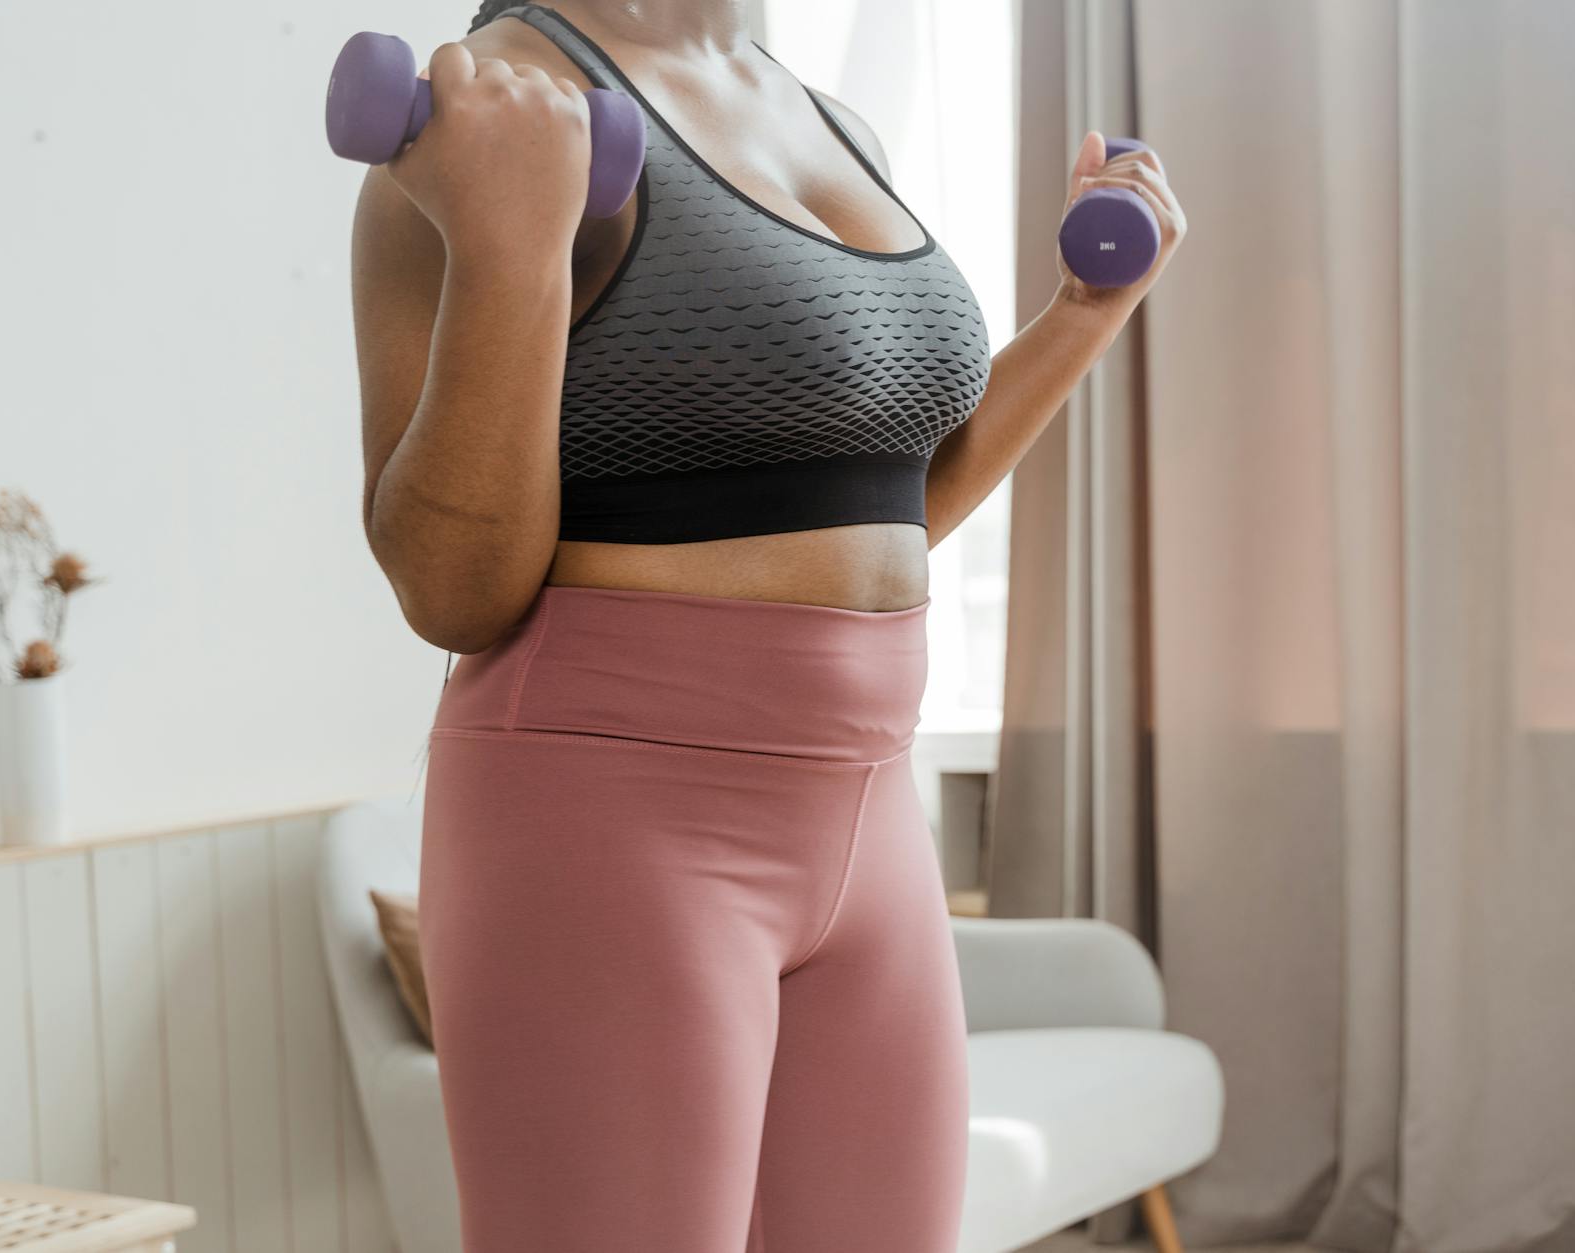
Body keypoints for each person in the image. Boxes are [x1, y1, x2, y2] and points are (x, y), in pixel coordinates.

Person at [349, 3, 1183, 1249]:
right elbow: (451, 590)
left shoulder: (821, 116)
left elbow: (884, 510)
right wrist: (509, 247)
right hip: (611, 813)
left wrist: (1082, 313)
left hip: (863, 810)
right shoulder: (493, 111)